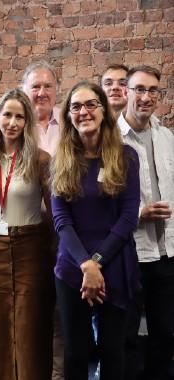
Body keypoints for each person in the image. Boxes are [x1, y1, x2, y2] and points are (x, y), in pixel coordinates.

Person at [50, 81, 141, 380]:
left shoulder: (126, 157)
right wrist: (86, 265)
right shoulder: (60, 161)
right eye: (75, 106)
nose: (83, 111)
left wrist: (98, 263)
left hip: (114, 265)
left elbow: (128, 218)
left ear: (103, 110)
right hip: (73, 268)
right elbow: (61, 220)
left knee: (113, 351)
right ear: (68, 116)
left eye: (90, 104)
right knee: (76, 352)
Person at [0, 89, 55, 380]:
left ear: (27, 122)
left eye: (19, 116)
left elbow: (52, 211)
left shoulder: (41, 160)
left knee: (30, 331)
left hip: (32, 248)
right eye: (7, 115)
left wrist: (52, 250)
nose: (12, 122)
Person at [118, 65, 174, 380]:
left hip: (167, 255)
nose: (146, 96)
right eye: (139, 89)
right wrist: (140, 213)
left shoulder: (166, 136)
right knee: (126, 336)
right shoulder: (109, 139)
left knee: (165, 334)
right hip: (130, 254)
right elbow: (101, 196)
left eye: (152, 90)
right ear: (126, 92)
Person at [21, 59, 64, 380]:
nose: (41, 92)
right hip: (27, 235)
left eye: (47, 85)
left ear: (57, 91)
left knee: (61, 316)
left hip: (64, 234)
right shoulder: (13, 128)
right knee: (30, 315)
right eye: (35, 86)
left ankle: (59, 375)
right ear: (25, 91)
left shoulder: (71, 126)